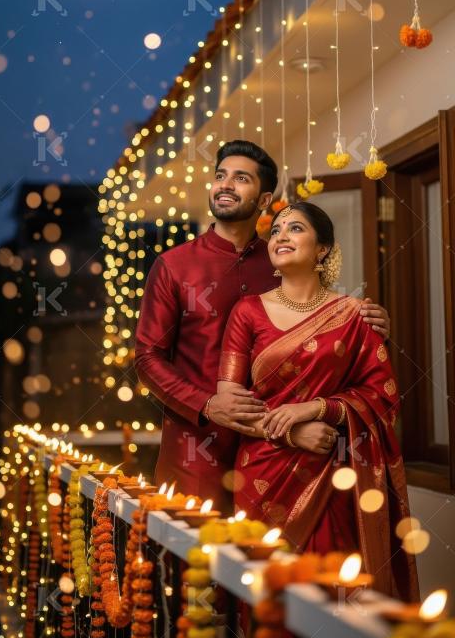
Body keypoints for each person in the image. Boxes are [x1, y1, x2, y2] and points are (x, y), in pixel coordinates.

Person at [134, 140, 390, 512]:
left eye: (241, 178)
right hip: (196, 455)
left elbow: (324, 341)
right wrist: (207, 404)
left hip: (277, 453)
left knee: (269, 552)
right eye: (220, 176)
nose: (225, 185)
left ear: (265, 199)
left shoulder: (283, 262)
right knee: (195, 549)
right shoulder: (174, 266)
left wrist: (371, 327)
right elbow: (147, 358)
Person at [217, 201, 418, 600]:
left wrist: (318, 407)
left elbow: (383, 397)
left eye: (295, 228)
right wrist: (292, 433)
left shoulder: (354, 314)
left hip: (332, 472)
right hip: (262, 471)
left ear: (323, 249)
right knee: (267, 598)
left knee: (328, 594)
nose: (281, 236)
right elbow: (229, 406)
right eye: (276, 230)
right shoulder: (247, 311)